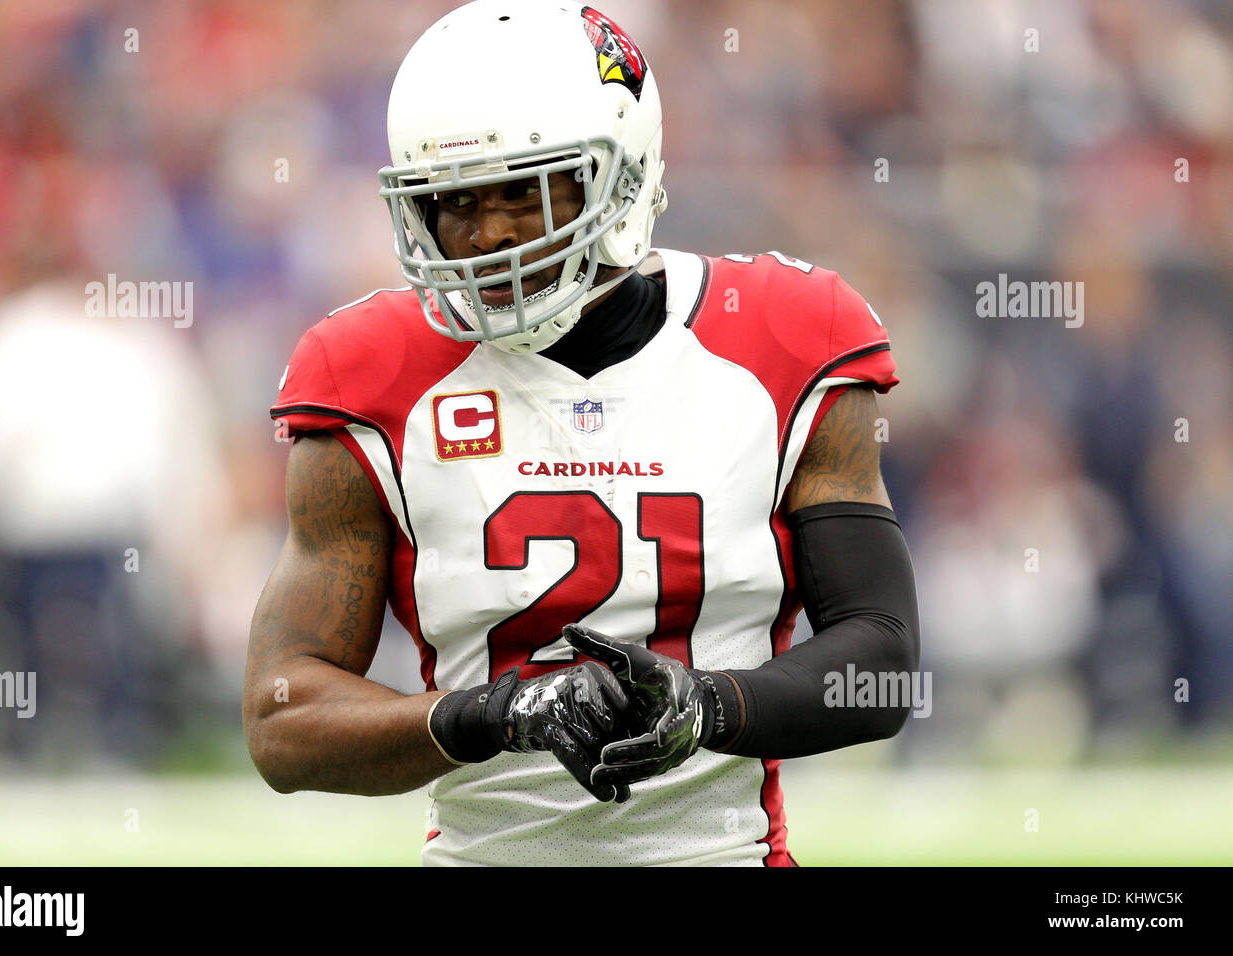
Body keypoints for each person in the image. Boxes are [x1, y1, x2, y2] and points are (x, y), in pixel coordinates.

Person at [243, 0, 920, 866]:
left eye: (524, 190)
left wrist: (705, 705)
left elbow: (883, 661)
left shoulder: (783, 338)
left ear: (622, 172)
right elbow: (282, 716)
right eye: (454, 201)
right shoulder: (369, 373)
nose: (488, 234)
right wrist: (494, 714)